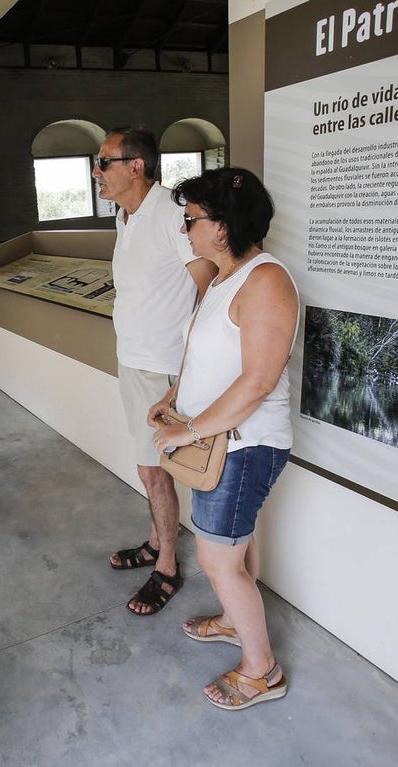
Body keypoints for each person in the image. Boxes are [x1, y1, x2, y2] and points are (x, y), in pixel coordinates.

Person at [150, 167, 298, 710]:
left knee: (218, 560)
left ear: (223, 225)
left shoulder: (267, 280)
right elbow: (213, 357)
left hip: (245, 443)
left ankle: (263, 672)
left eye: (191, 219)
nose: (186, 230)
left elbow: (257, 380)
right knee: (234, 544)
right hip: (218, 439)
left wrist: (186, 429)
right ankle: (238, 624)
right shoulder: (222, 277)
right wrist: (174, 399)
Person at [94, 127, 216, 615]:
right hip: (135, 360)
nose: (97, 172)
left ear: (137, 166)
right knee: (148, 468)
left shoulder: (171, 214)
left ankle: (166, 566)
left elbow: (209, 287)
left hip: (163, 369)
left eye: (104, 162)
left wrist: (188, 374)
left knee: (153, 469)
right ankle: (154, 541)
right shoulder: (127, 217)